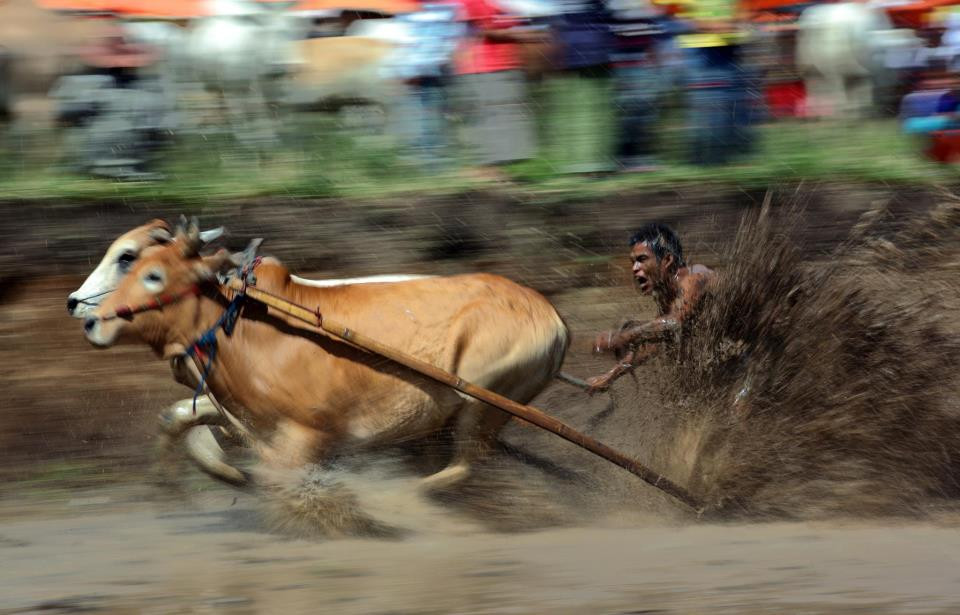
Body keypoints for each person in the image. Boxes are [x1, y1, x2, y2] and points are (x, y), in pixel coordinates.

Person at [586, 223, 714, 393]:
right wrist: (611, 376)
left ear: (667, 260)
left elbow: (674, 323)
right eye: (633, 262)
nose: (634, 269)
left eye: (642, 259)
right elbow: (655, 343)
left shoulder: (694, 278)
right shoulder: (667, 295)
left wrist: (621, 338)